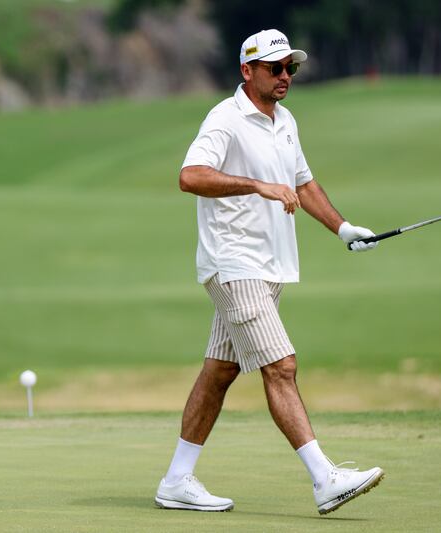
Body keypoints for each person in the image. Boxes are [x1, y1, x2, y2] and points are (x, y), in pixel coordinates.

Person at [154, 29, 384, 516]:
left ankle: (176, 480)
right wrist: (256, 186)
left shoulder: (285, 121)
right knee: (281, 366)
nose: (285, 77)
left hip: (270, 268)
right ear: (247, 70)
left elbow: (303, 182)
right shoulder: (225, 119)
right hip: (233, 265)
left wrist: (341, 228)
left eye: (290, 69)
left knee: (220, 372)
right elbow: (189, 176)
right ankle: (325, 479)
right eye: (275, 68)